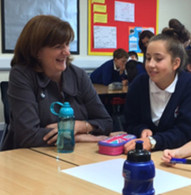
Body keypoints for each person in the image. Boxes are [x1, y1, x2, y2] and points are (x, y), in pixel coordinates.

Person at [1, 15, 113, 151]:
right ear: (36, 51)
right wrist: (76, 137)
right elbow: (28, 136)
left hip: (73, 156)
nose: (66, 52)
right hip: (27, 158)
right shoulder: (22, 75)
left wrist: (79, 126)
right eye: (58, 46)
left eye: (67, 44)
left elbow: (106, 123)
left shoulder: (79, 75)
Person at [123, 27, 191, 153]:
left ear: (175, 63)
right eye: (148, 58)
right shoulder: (139, 84)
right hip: (145, 154)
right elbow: (130, 122)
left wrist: (153, 142)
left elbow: (186, 132)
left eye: (158, 59)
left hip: (179, 155)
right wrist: (141, 130)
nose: (151, 64)